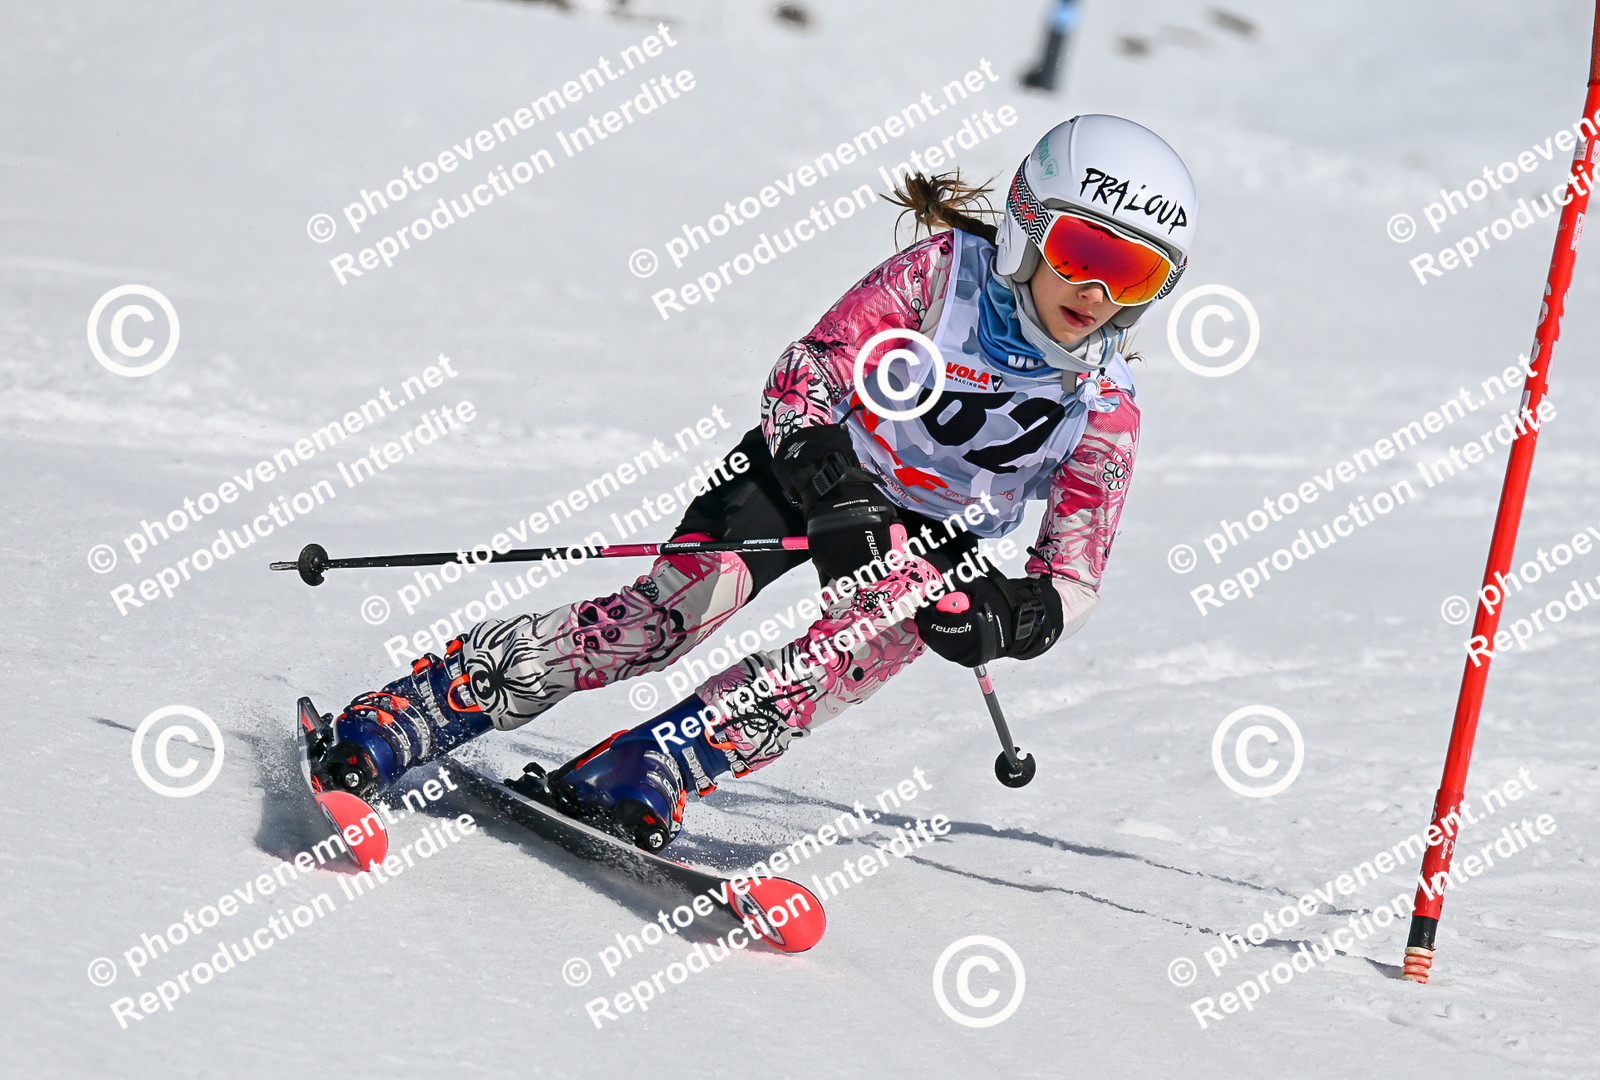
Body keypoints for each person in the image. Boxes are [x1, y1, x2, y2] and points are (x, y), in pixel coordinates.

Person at [306, 114, 1197, 854]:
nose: (1096, 291)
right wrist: (830, 482)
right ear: (1027, 226)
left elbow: (1073, 574)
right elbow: (807, 372)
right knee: (666, 619)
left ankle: (654, 763)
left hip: (930, 537)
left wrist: (1011, 615)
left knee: (842, 658)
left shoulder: (1104, 407)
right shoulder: (943, 279)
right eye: (1082, 250)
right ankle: (428, 705)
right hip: (805, 467)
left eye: (1134, 271)